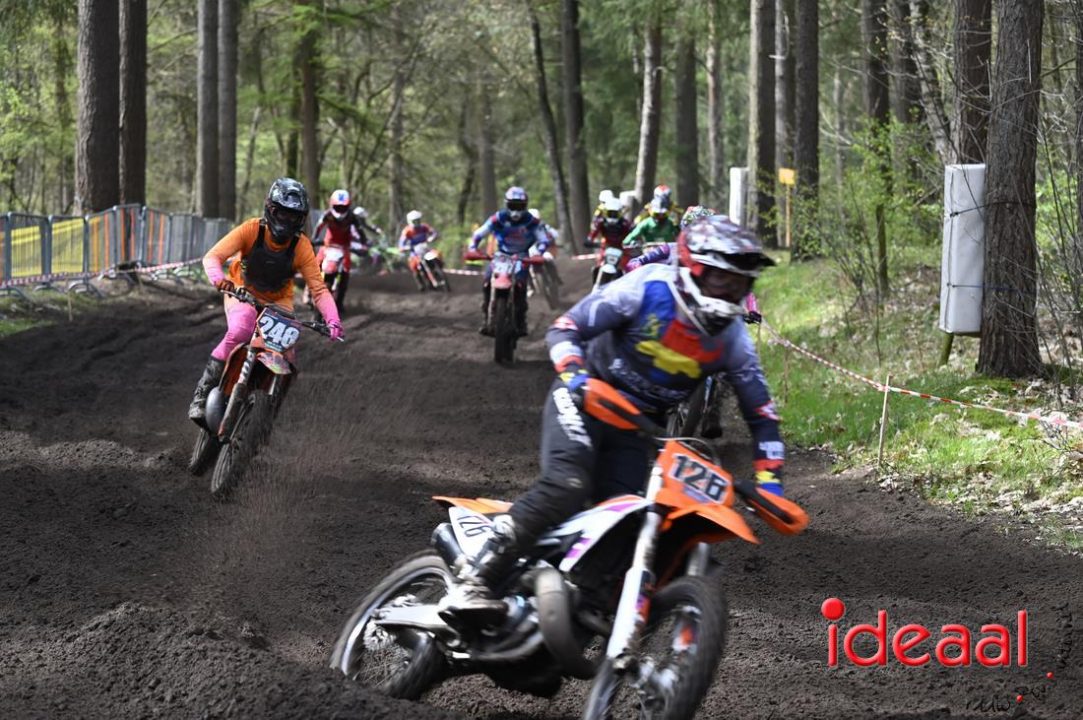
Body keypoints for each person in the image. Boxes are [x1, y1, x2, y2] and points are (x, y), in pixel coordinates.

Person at [441, 215, 784, 623]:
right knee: (568, 483)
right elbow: (565, 328)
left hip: (636, 427)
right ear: (694, 268)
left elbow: (762, 416)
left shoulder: (733, 339)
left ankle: (561, 608)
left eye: (740, 283)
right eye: (723, 279)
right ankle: (476, 577)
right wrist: (576, 376)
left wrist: (770, 484)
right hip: (584, 398)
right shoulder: (647, 287)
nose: (731, 292)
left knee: (627, 520)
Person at [187, 178, 344, 426]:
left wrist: (333, 320)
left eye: (293, 216)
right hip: (241, 291)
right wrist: (219, 279)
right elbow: (213, 257)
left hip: (278, 302)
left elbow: (319, 288)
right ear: (271, 209)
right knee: (241, 330)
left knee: (288, 357)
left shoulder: (302, 245)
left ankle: (265, 422)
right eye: (282, 213)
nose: (287, 220)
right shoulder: (251, 229)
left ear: (301, 219)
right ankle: (202, 393)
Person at [469, 186, 551, 336]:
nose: (516, 211)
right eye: (512, 206)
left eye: (519, 206)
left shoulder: (532, 221)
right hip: (501, 255)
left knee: (521, 285)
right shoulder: (498, 218)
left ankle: (521, 320)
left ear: (525, 206)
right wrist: (473, 248)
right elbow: (479, 233)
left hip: (522, 256)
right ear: (506, 204)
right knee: (487, 281)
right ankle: (486, 317)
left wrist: (539, 253)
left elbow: (544, 240)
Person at [399, 210, 441, 289]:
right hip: (415, 252)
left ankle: (438, 271)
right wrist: (404, 248)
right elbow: (401, 243)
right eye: (414, 221)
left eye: (418, 220)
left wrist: (432, 237)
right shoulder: (407, 231)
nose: (417, 223)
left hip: (425, 249)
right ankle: (420, 283)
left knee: (437, 255)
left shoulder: (424, 227)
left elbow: (433, 232)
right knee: (414, 265)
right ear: (410, 221)